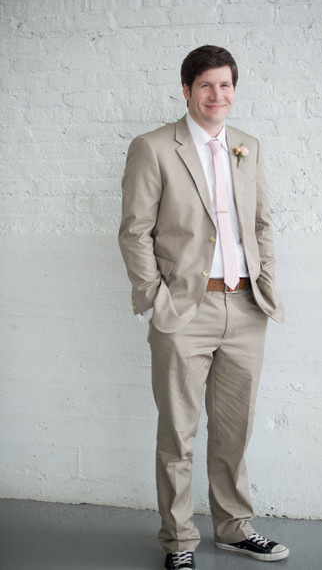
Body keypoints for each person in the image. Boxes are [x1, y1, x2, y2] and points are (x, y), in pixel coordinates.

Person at [118, 45, 289, 570]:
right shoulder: (153, 147)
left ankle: (234, 529)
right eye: (207, 85)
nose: (218, 95)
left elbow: (260, 223)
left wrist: (264, 283)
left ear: (234, 91)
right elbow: (135, 232)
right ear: (187, 90)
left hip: (247, 307)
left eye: (226, 85)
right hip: (184, 312)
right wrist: (155, 301)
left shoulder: (247, 146)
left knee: (234, 429)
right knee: (179, 434)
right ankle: (179, 542)